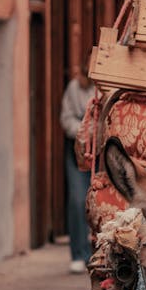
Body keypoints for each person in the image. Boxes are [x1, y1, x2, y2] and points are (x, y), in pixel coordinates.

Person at [59, 61, 94, 273]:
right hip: (77, 149)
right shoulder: (73, 88)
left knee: (99, 200)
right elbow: (66, 118)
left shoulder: (102, 88)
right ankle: (78, 253)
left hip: (99, 149)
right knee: (77, 199)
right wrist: (83, 131)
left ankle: (96, 251)